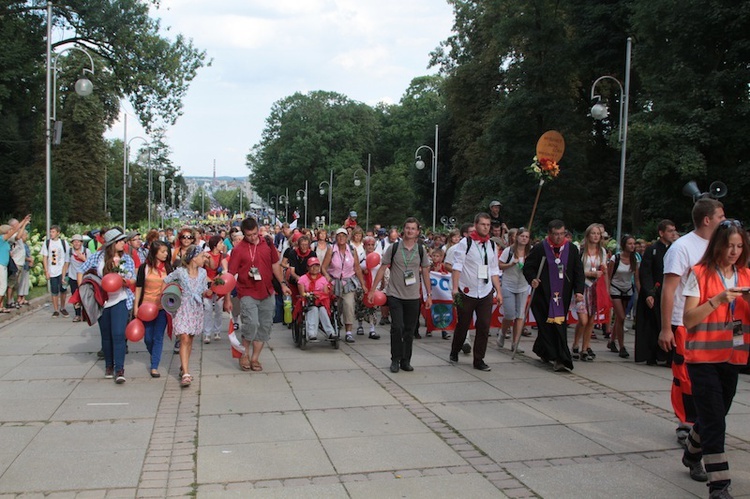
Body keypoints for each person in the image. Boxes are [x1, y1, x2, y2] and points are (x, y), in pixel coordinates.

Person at [680, 219, 750, 497]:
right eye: (729, 246)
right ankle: (719, 485)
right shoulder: (699, 273)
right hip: (702, 358)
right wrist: (718, 300)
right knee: (716, 422)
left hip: (733, 356)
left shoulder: (746, 274)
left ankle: (692, 452)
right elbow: (688, 318)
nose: (734, 251)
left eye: (739, 246)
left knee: (715, 415)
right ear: (718, 246)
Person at [659, 198, 725, 447]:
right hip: (682, 322)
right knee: (684, 376)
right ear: (707, 219)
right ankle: (686, 422)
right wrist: (666, 328)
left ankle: (703, 422)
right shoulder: (682, 247)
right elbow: (669, 289)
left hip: (713, 323)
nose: (724, 220)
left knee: (711, 377)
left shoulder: (719, 246)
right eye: (720, 216)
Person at [226, 217, 291, 372]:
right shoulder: (239, 249)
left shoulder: (267, 244)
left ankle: (255, 358)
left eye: (255, 234)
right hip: (247, 291)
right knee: (251, 324)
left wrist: (282, 284)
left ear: (258, 230)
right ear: (243, 234)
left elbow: (275, 266)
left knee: (265, 326)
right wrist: (227, 298)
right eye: (249, 235)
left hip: (267, 291)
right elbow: (230, 275)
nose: (252, 237)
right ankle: (244, 354)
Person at [370, 217, 432, 373]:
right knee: (397, 327)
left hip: (412, 296)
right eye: (407, 228)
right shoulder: (394, 248)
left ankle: (406, 360)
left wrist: (428, 294)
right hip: (395, 294)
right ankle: (395, 359)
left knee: (409, 330)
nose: (410, 231)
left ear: (418, 232)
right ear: (403, 230)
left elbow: (425, 272)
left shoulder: (420, 250)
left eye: (413, 228)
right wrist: (372, 289)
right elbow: (383, 268)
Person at [523, 220, 585, 372]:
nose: (558, 237)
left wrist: (578, 291)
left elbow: (578, 271)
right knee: (546, 327)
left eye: (561, 234)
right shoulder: (540, 248)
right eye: (555, 234)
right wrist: (532, 279)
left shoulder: (571, 249)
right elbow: (528, 267)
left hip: (562, 296)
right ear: (549, 234)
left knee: (558, 326)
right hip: (543, 295)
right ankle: (549, 352)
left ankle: (560, 358)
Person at [79, 229, 135, 383]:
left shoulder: (127, 259)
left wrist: (126, 281)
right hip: (102, 301)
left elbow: (133, 279)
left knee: (118, 334)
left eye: (124, 241)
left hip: (120, 299)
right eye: (121, 241)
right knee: (106, 335)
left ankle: (120, 369)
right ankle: (109, 365)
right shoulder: (98, 257)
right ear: (113, 243)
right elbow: (82, 271)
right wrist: (82, 291)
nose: (124, 243)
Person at [449, 213, 502, 372]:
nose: (486, 227)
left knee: (484, 325)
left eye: (488, 225)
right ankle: (455, 349)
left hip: (485, 291)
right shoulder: (466, 243)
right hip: (466, 291)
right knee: (463, 324)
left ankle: (479, 359)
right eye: (483, 224)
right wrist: (455, 288)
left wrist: (498, 291)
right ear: (476, 225)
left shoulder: (492, 245)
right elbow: (457, 266)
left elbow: (494, 270)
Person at [163, 245, 208, 387]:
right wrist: (171, 293)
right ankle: (187, 373)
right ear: (194, 258)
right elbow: (166, 280)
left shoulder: (203, 273)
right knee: (183, 337)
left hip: (196, 307)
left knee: (190, 338)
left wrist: (210, 292)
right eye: (202, 256)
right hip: (183, 307)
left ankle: (184, 367)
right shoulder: (180, 272)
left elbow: (204, 289)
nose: (204, 259)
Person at [635, 220, 678, 364]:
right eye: (670, 231)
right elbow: (646, 273)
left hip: (670, 292)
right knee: (652, 326)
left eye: (674, 230)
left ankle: (667, 356)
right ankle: (651, 355)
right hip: (655, 291)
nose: (673, 233)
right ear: (661, 233)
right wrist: (649, 293)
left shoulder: (675, 249)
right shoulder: (652, 249)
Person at [322, 227, 368, 343]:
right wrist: (328, 278)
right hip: (334, 281)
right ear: (336, 238)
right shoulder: (331, 249)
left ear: (347, 237)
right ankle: (333, 325)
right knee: (336, 306)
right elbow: (323, 267)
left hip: (348, 282)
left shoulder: (352, 250)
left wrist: (363, 284)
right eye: (339, 236)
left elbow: (357, 268)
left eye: (343, 235)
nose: (341, 238)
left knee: (349, 305)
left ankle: (348, 332)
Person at [134, 240, 173, 378]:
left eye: (166, 251)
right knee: (148, 338)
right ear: (155, 252)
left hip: (162, 308)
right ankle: (153, 354)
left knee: (158, 337)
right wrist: (136, 307)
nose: (165, 254)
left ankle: (154, 366)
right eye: (162, 251)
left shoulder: (168, 268)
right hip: (146, 307)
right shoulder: (144, 267)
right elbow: (138, 287)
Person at [570, 224, 608, 361]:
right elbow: (575, 270)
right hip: (582, 287)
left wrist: (602, 271)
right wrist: (590, 273)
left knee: (591, 319)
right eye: (593, 233)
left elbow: (603, 269)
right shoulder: (580, 251)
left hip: (595, 288)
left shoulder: (602, 251)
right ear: (588, 235)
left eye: (598, 234)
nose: (596, 236)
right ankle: (575, 344)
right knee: (583, 319)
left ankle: (585, 348)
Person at [498, 227, 531, 354]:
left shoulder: (530, 252)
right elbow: (500, 265)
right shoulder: (509, 251)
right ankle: (502, 332)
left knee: (520, 315)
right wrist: (511, 264)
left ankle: (515, 342)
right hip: (508, 285)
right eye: (522, 236)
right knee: (510, 314)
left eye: (527, 237)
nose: (524, 239)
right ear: (517, 237)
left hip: (523, 286)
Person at [607, 234, 640, 358]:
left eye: (633, 244)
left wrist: (640, 292)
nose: (632, 246)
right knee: (621, 316)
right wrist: (607, 291)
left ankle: (611, 341)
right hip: (615, 289)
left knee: (620, 318)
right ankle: (622, 346)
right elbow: (609, 277)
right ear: (624, 245)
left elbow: (636, 279)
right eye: (629, 244)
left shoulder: (634, 259)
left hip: (627, 290)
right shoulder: (615, 259)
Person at [297, 257, 336, 341]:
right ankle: (312, 333)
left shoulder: (323, 279)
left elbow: (326, 294)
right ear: (307, 267)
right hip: (308, 303)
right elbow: (302, 294)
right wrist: (311, 295)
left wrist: (319, 296)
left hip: (321, 302)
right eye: (312, 266)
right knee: (314, 309)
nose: (315, 268)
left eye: (317, 266)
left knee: (322, 310)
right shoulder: (302, 279)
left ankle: (330, 332)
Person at [0, 216, 31, 313]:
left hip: (4, 265)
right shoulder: (2, 238)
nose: (11, 231)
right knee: (3, 286)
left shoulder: (4, 241)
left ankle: (1, 306)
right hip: (1, 265)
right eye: (9, 230)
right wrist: (24, 222)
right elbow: (15, 230)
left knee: (4, 286)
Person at [203, 235, 228, 344]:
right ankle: (207, 333)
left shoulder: (224, 256)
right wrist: (210, 283)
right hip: (207, 283)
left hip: (219, 284)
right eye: (221, 243)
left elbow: (224, 272)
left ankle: (217, 331)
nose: (223, 245)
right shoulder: (206, 256)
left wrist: (214, 284)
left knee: (218, 309)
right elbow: (202, 271)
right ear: (215, 245)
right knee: (207, 309)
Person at [41, 225, 70, 318]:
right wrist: (46, 271)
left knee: (63, 289)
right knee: (54, 290)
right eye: (50, 232)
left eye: (53, 232)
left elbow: (67, 257)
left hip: (63, 270)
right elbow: (45, 257)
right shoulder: (47, 243)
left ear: (58, 233)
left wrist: (65, 269)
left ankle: (63, 307)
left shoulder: (63, 243)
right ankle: (56, 309)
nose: (51, 234)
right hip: (52, 270)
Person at [67, 234, 91, 322]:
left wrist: (83, 258)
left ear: (81, 242)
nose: (76, 243)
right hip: (73, 276)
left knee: (85, 296)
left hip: (84, 277)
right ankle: (77, 314)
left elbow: (91, 264)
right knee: (75, 296)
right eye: (74, 241)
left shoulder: (86, 251)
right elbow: (67, 263)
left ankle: (85, 313)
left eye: (78, 241)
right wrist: (63, 276)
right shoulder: (70, 252)